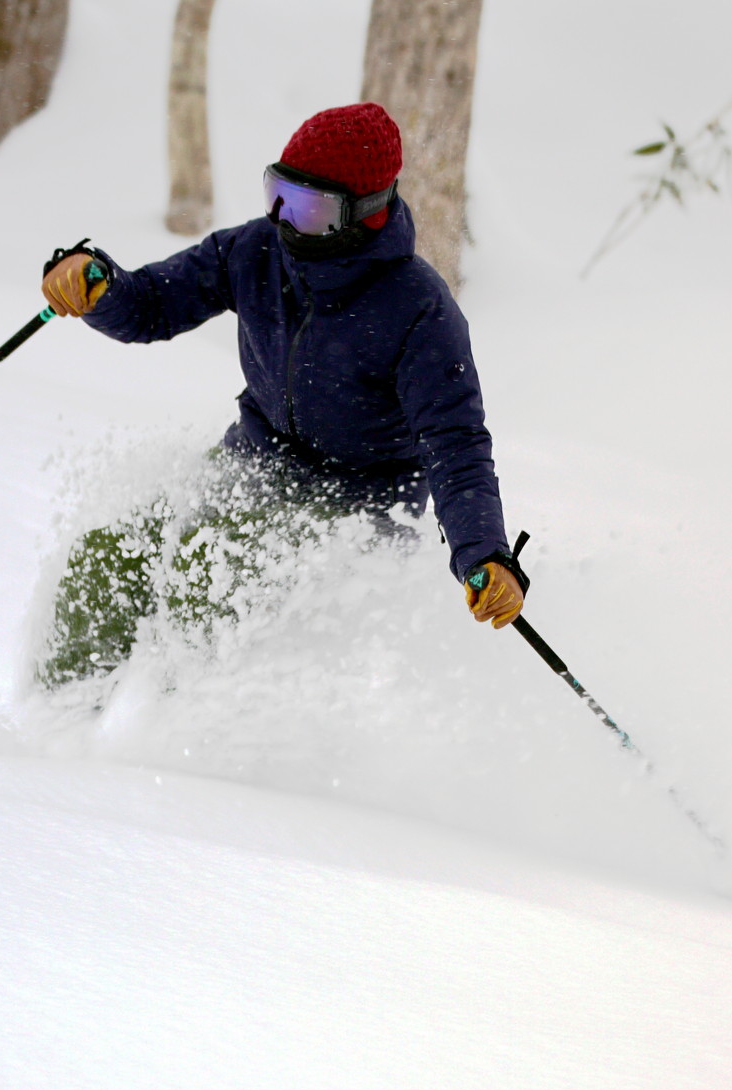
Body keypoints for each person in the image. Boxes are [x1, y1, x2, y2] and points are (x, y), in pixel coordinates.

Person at [40, 101, 526, 676]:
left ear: (364, 213)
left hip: (357, 508)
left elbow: (457, 446)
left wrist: (483, 552)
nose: (284, 220)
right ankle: (61, 734)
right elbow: (151, 307)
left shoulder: (419, 309)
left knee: (208, 569)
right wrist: (97, 284)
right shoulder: (255, 251)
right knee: (109, 560)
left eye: (308, 209)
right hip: (253, 461)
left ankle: (167, 739)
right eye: (277, 194)